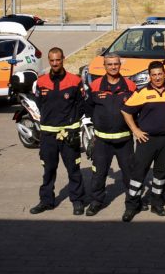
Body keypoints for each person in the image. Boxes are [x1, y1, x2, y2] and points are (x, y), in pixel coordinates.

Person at [29, 47, 87, 216]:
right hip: (48, 135)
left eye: (58, 60)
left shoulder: (75, 81)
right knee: (48, 170)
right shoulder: (41, 82)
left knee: (73, 170)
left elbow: (81, 105)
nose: (55, 63)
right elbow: (39, 104)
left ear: (63, 60)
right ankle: (46, 201)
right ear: (49, 61)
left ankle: (77, 201)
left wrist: (70, 122)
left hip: (68, 134)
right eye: (52, 60)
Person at [121, 61, 165, 222]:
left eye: (160, 74)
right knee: (138, 174)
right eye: (154, 75)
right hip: (147, 141)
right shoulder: (142, 92)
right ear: (149, 76)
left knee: (161, 174)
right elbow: (125, 111)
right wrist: (135, 130)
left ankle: (157, 204)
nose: (158, 77)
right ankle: (131, 206)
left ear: (164, 74)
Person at [83, 52, 136, 216]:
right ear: (104, 66)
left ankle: (133, 202)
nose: (113, 67)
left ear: (120, 65)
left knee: (129, 173)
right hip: (102, 141)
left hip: (124, 140)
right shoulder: (95, 86)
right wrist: (100, 120)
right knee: (98, 174)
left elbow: (137, 110)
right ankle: (96, 201)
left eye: (116, 64)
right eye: (110, 64)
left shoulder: (130, 86)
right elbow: (88, 107)